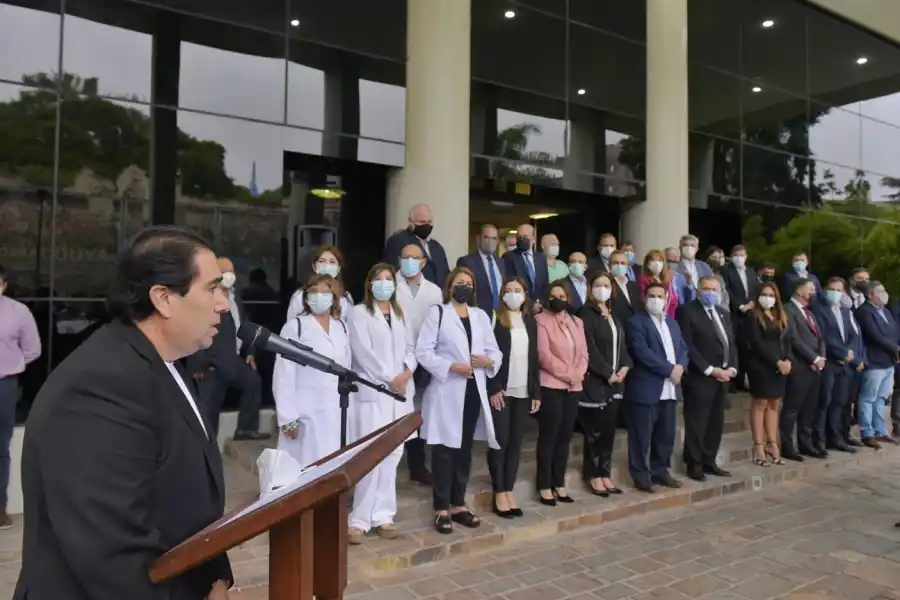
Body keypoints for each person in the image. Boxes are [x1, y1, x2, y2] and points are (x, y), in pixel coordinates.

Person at [15, 225, 233, 599]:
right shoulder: (99, 386)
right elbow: (112, 553)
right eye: (212, 288)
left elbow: (191, 498)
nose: (223, 303)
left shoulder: (169, 362)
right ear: (164, 298)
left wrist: (216, 578)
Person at [415, 267, 501, 534]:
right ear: (450, 286)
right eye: (459, 282)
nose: (464, 286)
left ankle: (458, 504)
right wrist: (452, 366)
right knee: (443, 450)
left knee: (463, 450)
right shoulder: (438, 313)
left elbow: (494, 350)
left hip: (474, 390)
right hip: (446, 391)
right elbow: (423, 352)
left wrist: (489, 361)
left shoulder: (480, 316)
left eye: (469, 282)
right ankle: (441, 508)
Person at [347, 264, 416, 544]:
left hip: (400, 393)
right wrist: (390, 378)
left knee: (394, 455)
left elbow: (412, 348)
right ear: (369, 283)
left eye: (389, 279)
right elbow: (362, 353)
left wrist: (406, 373)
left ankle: (384, 515)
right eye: (379, 279)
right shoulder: (360, 313)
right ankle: (360, 519)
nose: (385, 283)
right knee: (371, 455)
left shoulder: (401, 313)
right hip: (375, 392)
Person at [273, 275, 352, 468]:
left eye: (325, 292)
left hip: (335, 411)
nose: (319, 297)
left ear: (334, 298)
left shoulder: (341, 326)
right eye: (314, 292)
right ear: (306, 297)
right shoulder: (295, 327)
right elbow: (283, 374)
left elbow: (347, 367)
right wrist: (288, 418)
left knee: (332, 466)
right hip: (305, 413)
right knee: (304, 470)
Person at [186, 256, 268, 441]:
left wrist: (251, 353)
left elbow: (244, 324)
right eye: (224, 272)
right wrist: (196, 364)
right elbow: (194, 330)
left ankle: (245, 429)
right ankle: (205, 446)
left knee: (253, 382)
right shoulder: (204, 298)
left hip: (234, 359)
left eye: (231, 271)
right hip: (212, 362)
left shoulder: (234, 296)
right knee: (208, 409)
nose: (229, 275)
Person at [625, 282, 689, 493]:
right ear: (644, 298)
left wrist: (680, 366)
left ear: (667, 298)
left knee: (665, 435)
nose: (656, 300)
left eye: (660, 296)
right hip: (647, 389)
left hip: (670, 389)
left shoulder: (672, 323)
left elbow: (683, 348)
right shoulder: (636, 322)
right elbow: (641, 352)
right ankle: (641, 475)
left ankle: (660, 471)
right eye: (651, 295)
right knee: (641, 437)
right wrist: (669, 369)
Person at [486, 277, 540, 517]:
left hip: (523, 390)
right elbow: (487, 354)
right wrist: (494, 387)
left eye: (517, 290)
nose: (512, 294)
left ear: (525, 294)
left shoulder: (530, 321)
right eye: (507, 291)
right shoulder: (495, 318)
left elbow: (534, 358)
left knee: (516, 442)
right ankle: (498, 491)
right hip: (502, 390)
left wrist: (536, 390)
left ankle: (509, 489)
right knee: (501, 441)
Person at [676, 276, 738, 481]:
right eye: (706, 289)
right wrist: (709, 369)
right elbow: (688, 345)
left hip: (723, 378)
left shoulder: (723, 313)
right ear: (698, 290)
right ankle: (694, 463)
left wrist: (732, 369)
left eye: (714, 289)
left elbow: (731, 343)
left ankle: (710, 460)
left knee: (715, 422)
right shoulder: (687, 311)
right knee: (697, 422)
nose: (710, 292)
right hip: (700, 377)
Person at [534, 281, 589, 505]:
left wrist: (578, 374)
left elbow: (584, 353)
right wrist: (567, 374)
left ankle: (559, 482)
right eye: (554, 295)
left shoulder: (577, 321)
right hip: (551, 385)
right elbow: (543, 355)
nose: (558, 298)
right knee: (549, 436)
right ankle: (544, 485)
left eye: (562, 295)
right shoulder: (541, 320)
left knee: (565, 437)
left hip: (574, 387)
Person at [394, 243, 444, 485]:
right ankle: (387, 462)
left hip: (424, 358)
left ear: (424, 262)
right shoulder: (389, 286)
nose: (410, 262)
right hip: (395, 359)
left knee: (419, 412)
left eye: (415, 258)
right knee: (393, 413)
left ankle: (417, 464)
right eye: (406, 257)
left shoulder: (434, 291)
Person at [578, 272, 630, 496]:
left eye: (606, 285)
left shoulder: (613, 315)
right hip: (596, 383)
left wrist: (625, 367)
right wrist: (607, 372)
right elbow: (589, 349)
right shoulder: (586, 314)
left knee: (609, 431)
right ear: (590, 288)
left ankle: (605, 472)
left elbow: (623, 346)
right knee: (594, 433)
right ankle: (593, 474)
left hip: (616, 383)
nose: (602, 289)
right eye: (597, 285)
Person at [0, 264, 41, 529]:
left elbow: (32, 350)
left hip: (4, 386)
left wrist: (10, 365)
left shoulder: (19, 312)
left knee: (0, 448)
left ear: (3, 285)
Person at [744, 282, 792, 466]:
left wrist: (787, 360)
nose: (767, 298)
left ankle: (772, 444)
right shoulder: (752, 316)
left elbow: (787, 340)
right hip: (761, 365)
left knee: (774, 403)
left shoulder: (780, 315)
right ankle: (758, 445)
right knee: (761, 402)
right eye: (764, 294)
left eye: (771, 295)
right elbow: (756, 343)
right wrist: (776, 362)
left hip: (780, 366)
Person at [781, 278, 827, 460]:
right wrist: (813, 358)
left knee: (809, 408)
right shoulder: (788, 310)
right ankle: (786, 446)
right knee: (792, 409)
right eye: (811, 290)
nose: (813, 293)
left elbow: (820, 337)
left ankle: (806, 443)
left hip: (815, 368)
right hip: (799, 366)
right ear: (799, 291)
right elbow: (793, 338)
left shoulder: (810, 313)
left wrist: (821, 358)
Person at [815, 277, 861, 454]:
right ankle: (820, 440)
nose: (835, 293)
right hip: (831, 362)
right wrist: (842, 353)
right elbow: (825, 336)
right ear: (826, 290)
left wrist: (850, 353)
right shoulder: (819, 311)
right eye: (832, 289)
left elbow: (853, 336)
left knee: (840, 402)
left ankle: (836, 437)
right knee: (824, 401)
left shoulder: (845, 312)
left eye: (838, 290)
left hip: (845, 365)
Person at [855, 281, 900, 449]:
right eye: (879, 291)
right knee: (868, 398)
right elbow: (874, 335)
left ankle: (879, 430)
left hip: (888, 361)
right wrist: (895, 348)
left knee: (881, 398)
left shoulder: (885, 311)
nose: (883, 294)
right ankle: (867, 433)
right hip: (874, 361)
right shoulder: (864, 312)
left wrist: (895, 350)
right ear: (870, 295)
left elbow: (893, 332)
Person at [383, 203, 450, 286]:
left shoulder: (437, 247)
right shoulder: (398, 241)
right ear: (410, 222)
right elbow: (392, 271)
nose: (426, 225)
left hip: (437, 296)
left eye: (429, 222)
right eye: (422, 222)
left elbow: (446, 275)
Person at [287, 245, 354, 322]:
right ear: (314, 266)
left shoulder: (346, 297)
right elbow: (291, 325)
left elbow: (350, 327)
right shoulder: (300, 296)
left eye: (332, 262)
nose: (326, 265)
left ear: (338, 268)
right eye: (322, 261)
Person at [724, 245, 758, 392]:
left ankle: (743, 380)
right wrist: (739, 306)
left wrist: (752, 304)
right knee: (734, 347)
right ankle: (732, 382)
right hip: (734, 314)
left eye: (742, 255)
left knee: (747, 348)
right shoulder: (727, 271)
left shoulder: (750, 272)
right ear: (731, 257)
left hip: (750, 314)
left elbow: (755, 289)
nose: (739, 258)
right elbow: (727, 291)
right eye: (736, 255)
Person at [457, 224, 506, 314]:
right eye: (486, 237)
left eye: (494, 238)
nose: (490, 241)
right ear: (478, 239)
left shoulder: (501, 262)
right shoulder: (466, 262)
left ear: (498, 241)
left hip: (500, 315)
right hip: (477, 314)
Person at [503, 223, 549, 300]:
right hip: (520, 304)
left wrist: (541, 304)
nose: (521, 239)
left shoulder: (541, 258)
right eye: (519, 237)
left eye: (525, 236)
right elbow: (510, 284)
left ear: (533, 239)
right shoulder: (509, 257)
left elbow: (545, 284)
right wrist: (531, 305)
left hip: (541, 306)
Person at [638, 249, 679, 318]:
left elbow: (674, 301)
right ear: (647, 264)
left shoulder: (667, 281)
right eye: (653, 260)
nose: (657, 263)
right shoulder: (643, 280)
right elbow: (645, 301)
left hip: (668, 318)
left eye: (660, 260)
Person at [672, 234, 713, 303]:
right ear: (680, 247)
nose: (689, 248)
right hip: (683, 305)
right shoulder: (674, 267)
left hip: (703, 304)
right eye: (685, 245)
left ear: (697, 248)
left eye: (692, 245)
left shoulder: (705, 267)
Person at [609, 250, 644, 324]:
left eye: (623, 263)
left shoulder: (634, 285)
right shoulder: (607, 284)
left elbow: (639, 308)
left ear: (627, 266)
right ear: (609, 265)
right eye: (616, 263)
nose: (619, 265)